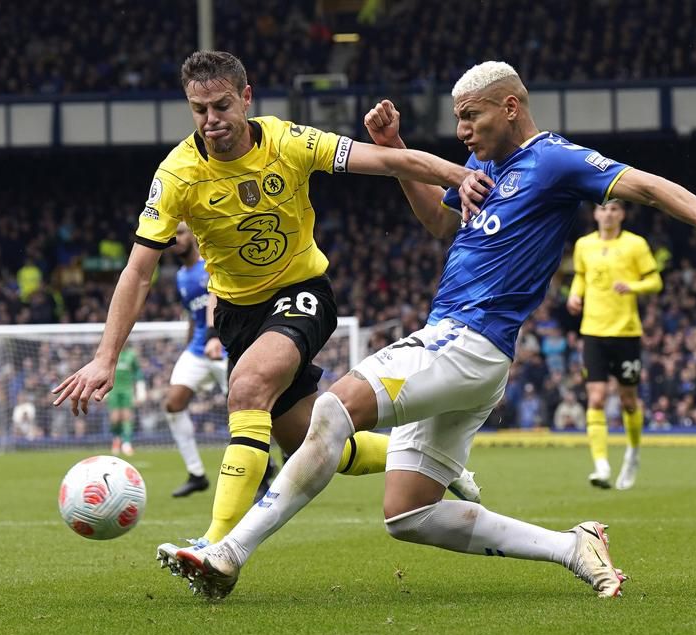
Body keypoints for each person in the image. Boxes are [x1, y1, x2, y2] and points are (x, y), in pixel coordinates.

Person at [174, 61, 696, 601]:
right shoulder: (480, 168)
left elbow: (649, 186)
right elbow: (438, 227)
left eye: (471, 116)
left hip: (467, 339)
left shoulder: (553, 160)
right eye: (458, 120)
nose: (463, 130)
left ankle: (229, 551)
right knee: (407, 513)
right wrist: (395, 148)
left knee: (332, 411)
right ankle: (573, 547)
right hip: (471, 356)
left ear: (510, 107)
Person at [51, 51, 482, 554]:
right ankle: (432, 461)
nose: (211, 120)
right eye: (199, 110)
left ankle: (215, 544)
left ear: (246, 98)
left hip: (301, 293)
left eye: (221, 106)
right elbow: (138, 271)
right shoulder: (177, 174)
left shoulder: (288, 141)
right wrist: (106, 357)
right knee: (308, 442)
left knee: (248, 386)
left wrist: (458, 176)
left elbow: (386, 160)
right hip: (237, 315)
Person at [567, 199, 663, 490]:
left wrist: (632, 286)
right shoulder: (584, 245)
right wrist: (574, 294)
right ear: (595, 213)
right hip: (593, 330)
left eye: (614, 209)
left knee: (628, 401)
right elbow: (581, 276)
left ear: (621, 214)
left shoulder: (635, 244)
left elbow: (655, 281)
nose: (608, 214)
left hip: (626, 332)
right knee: (596, 397)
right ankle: (601, 465)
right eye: (603, 209)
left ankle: (633, 452)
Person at [163, 221, 228, 497]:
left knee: (248, 410)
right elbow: (192, 314)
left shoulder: (212, 263)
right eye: (171, 235)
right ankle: (196, 474)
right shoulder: (180, 276)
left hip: (227, 347)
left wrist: (219, 337)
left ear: (193, 234)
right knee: (172, 403)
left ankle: (266, 467)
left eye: (179, 232)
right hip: (199, 347)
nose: (175, 239)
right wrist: (189, 345)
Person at [108, 346, 144, 456]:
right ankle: (116, 440)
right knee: (115, 418)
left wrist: (140, 390)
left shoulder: (131, 355)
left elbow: (138, 373)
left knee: (127, 417)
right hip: (113, 390)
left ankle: (127, 443)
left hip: (127, 390)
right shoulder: (111, 353)